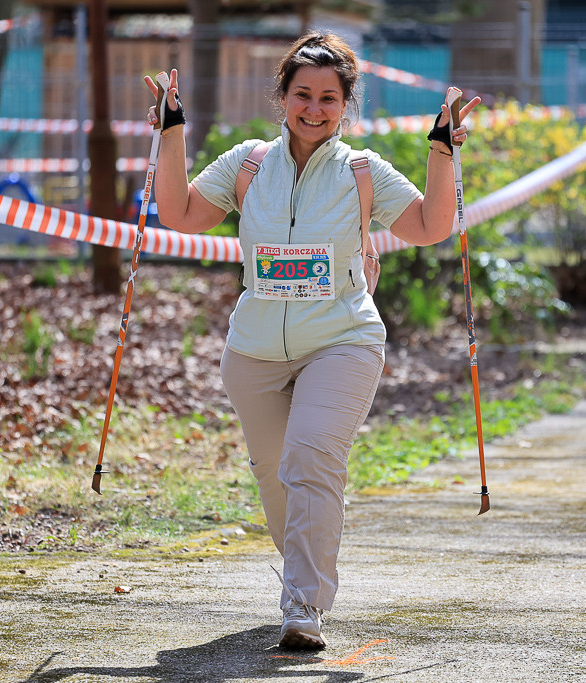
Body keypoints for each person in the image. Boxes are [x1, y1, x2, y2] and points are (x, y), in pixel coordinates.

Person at [145, 31, 480, 650]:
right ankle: (305, 559)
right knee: (276, 478)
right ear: (284, 98)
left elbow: (433, 226)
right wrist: (170, 134)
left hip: (343, 340)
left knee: (311, 457)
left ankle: (302, 606)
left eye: (329, 98)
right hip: (254, 352)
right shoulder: (248, 164)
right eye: (304, 95)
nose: (315, 109)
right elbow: (179, 214)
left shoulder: (362, 171)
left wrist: (442, 151)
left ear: (345, 106)